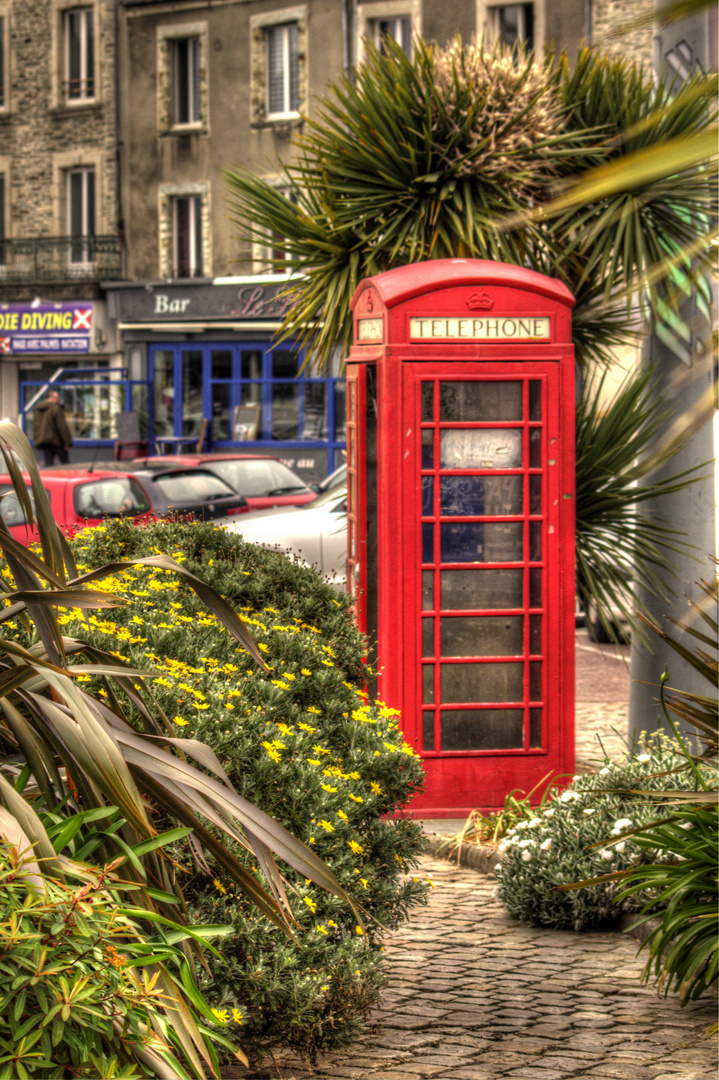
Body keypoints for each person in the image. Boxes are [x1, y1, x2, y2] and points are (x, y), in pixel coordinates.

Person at [33, 390, 73, 467]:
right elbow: (62, 427)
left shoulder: (38, 409)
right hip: (57, 441)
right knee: (65, 465)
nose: (58, 400)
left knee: (49, 465)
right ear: (52, 398)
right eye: (57, 398)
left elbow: (36, 426)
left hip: (45, 442)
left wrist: (37, 440)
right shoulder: (56, 409)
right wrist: (67, 442)